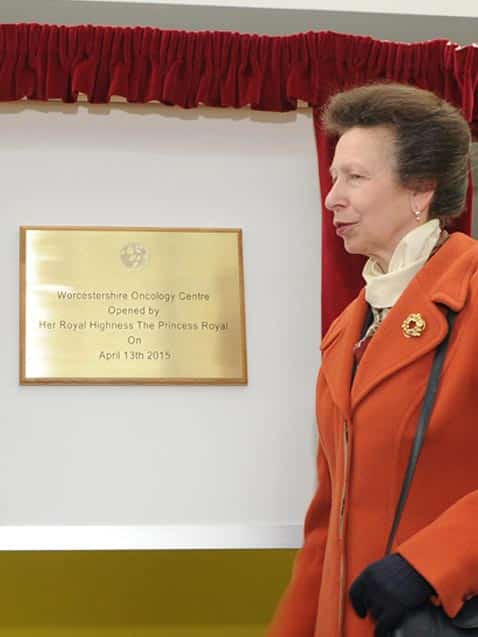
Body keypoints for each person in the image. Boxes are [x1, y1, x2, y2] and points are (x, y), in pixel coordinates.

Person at [267, 82, 478, 637]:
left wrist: (432, 563)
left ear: (421, 190)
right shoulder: (347, 330)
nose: (332, 196)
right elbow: (324, 527)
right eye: (334, 177)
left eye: (355, 178)